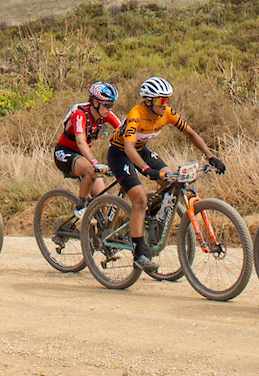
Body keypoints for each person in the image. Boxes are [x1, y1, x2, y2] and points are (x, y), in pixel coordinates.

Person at [106, 77, 221, 270]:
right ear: (148, 101)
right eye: (161, 100)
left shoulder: (167, 113)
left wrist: (210, 156)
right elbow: (128, 147)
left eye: (167, 99)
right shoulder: (136, 114)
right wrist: (145, 169)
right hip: (120, 153)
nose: (165, 104)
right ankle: (139, 254)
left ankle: (151, 218)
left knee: (172, 180)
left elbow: (191, 133)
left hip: (141, 149)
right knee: (140, 199)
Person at [52, 81, 122, 219]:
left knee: (100, 197)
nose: (110, 109)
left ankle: (98, 235)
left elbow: (124, 132)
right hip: (65, 153)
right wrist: (95, 162)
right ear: (95, 103)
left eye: (112, 105)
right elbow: (81, 142)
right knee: (90, 170)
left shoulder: (106, 115)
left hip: (83, 156)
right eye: (107, 105)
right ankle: (80, 207)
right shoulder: (80, 114)